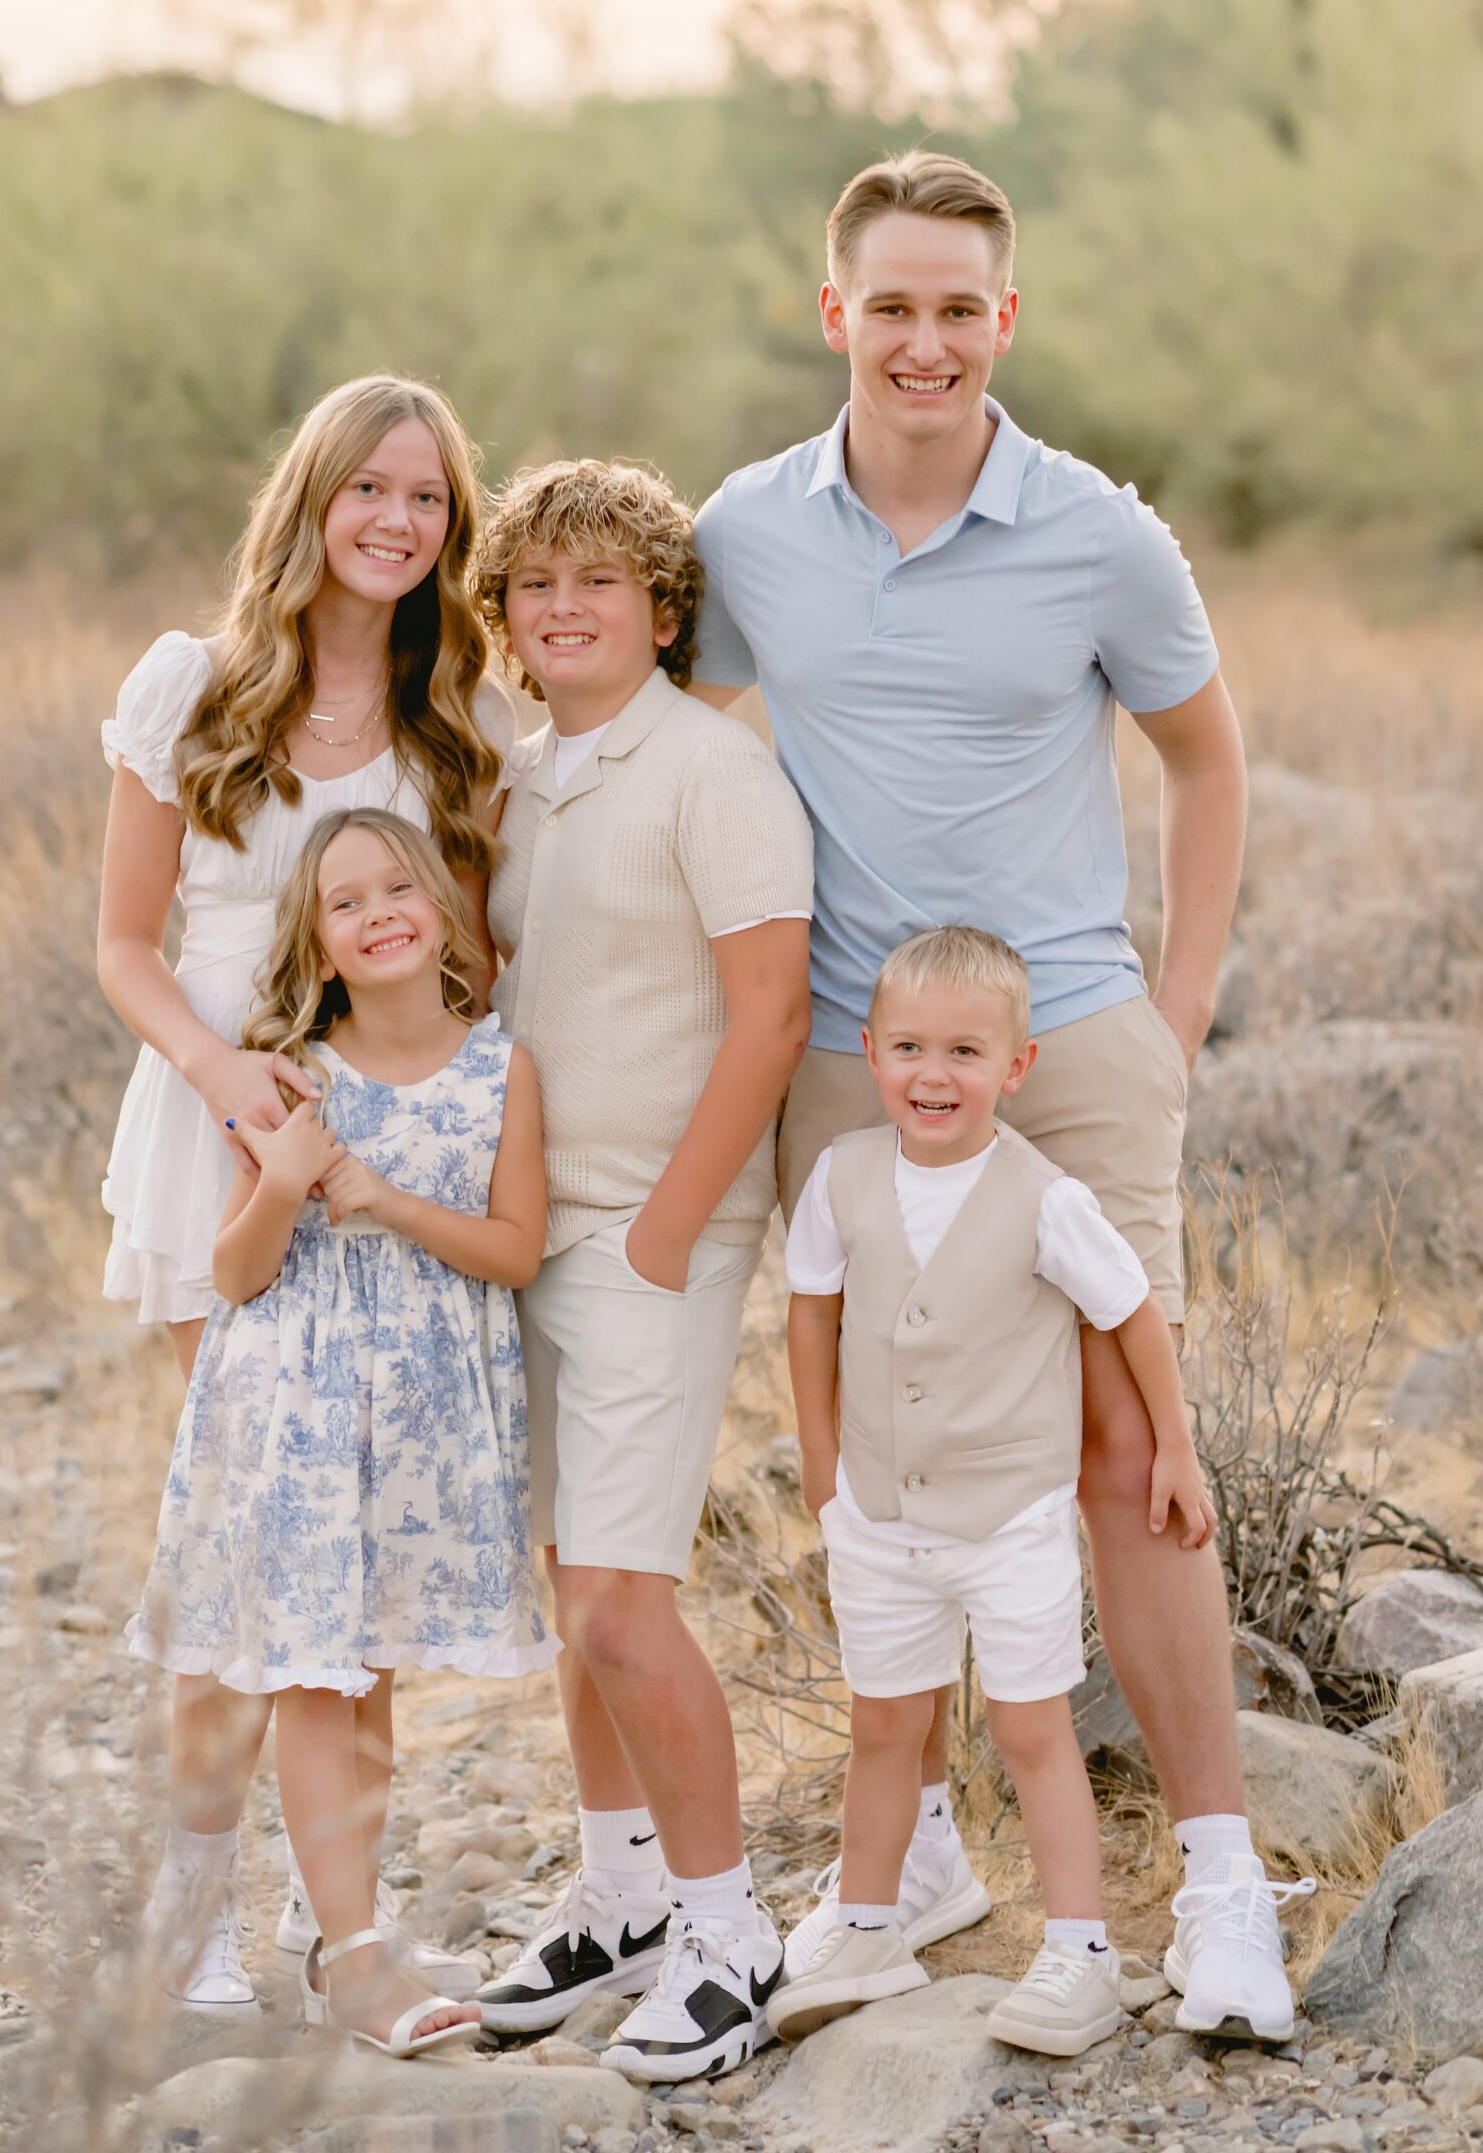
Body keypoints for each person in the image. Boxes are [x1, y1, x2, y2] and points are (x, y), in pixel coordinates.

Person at [691, 155, 1303, 2040]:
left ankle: (1217, 1889)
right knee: (888, 1471)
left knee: (1123, 1462)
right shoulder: (746, 532)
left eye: (961, 307)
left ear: (1006, 324)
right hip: (848, 1070)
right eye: (893, 304)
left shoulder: (1100, 534)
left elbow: (1206, 763)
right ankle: (915, 1868)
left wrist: (1174, 1007)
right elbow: (680, 752)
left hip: (1074, 1055)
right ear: (834, 318)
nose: (926, 339)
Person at [98, 373, 516, 2003]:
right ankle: (188, 1914)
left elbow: (468, 965)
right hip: (212, 1150)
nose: (398, 522)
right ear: (312, 500)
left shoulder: (448, 732)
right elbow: (127, 947)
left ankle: (335, 1912)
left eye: (428, 499)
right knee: (247, 1539)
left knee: (364, 1570)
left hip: (371, 1179)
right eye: (371, 490)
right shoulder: (191, 687)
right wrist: (221, 1078)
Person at [471, 459, 814, 2081]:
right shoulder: (522, 778)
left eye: (598, 581)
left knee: (622, 1599)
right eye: (535, 584)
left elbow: (769, 1016)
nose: (564, 607)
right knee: (566, 1576)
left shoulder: (711, 773)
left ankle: (728, 1924)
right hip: (529, 1227)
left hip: (651, 1231)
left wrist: (676, 1226)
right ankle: (615, 1893)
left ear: (662, 609)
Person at [128, 806, 552, 2053]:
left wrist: (382, 1197)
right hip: (293, 1405)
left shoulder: (501, 1069)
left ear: (440, 907)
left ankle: (339, 1934)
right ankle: (359, 1963)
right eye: (343, 904)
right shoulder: (288, 1069)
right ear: (317, 947)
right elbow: (238, 1274)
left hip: (418, 1416)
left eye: (393, 889)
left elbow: (515, 1249)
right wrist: (279, 1177)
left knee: (365, 1680)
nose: (376, 915)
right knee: (315, 1673)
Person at [770, 927, 1234, 2053]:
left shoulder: (1043, 1196)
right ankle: (870, 1926)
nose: (935, 1075)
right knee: (886, 1721)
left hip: (1009, 1518)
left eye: (966, 1052)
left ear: (1014, 1067)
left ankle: (1076, 1948)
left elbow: (1128, 1313)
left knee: (1029, 1728)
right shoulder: (841, 1175)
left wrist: (1170, 1445)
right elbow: (810, 1315)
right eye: (911, 1048)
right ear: (870, 1049)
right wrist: (822, 1460)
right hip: (878, 1517)